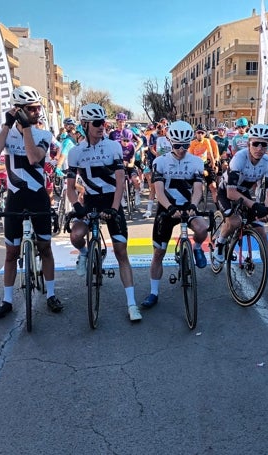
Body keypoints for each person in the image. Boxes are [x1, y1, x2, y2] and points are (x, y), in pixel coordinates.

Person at [0, 86, 64, 319]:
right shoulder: (8, 133)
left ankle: (50, 295)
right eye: (30, 109)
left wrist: (28, 128)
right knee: (11, 253)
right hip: (15, 198)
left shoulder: (44, 135)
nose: (36, 111)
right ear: (19, 109)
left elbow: (33, 157)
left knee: (45, 247)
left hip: (37, 196)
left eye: (37, 108)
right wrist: (7, 125)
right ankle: (7, 300)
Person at [66, 103, 142, 322]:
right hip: (90, 200)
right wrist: (77, 207)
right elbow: (70, 188)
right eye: (98, 123)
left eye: (104, 123)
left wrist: (115, 208)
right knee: (76, 235)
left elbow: (120, 182)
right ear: (85, 125)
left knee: (121, 252)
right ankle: (85, 253)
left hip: (112, 200)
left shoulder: (113, 147)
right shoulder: (75, 152)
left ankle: (131, 304)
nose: (103, 127)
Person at [212, 124, 268, 300]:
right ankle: (221, 242)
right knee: (235, 221)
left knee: (262, 235)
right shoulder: (239, 158)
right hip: (226, 191)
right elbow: (231, 193)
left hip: (243, 192)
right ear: (249, 144)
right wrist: (254, 205)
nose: (260, 148)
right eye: (256, 144)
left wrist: (267, 209)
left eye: (264, 144)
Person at [141, 121, 209, 308]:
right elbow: (159, 190)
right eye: (177, 145)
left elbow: (197, 188)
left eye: (185, 145)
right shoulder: (160, 161)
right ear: (170, 142)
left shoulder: (196, 161)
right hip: (167, 208)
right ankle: (154, 292)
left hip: (188, 206)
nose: (181, 149)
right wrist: (170, 207)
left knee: (203, 229)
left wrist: (193, 206)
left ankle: (196, 248)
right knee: (159, 253)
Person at [144, 123, 172, 218]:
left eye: (170, 130)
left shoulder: (175, 141)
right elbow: (159, 153)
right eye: (167, 130)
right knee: (154, 187)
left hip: (171, 166)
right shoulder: (160, 139)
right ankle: (148, 210)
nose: (168, 132)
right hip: (160, 164)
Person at [188, 124, 218, 204]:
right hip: (195, 164)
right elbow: (190, 158)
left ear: (205, 134)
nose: (200, 134)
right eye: (198, 132)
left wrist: (213, 164)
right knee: (196, 184)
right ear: (195, 133)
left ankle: (218, 207)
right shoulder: (192, 143)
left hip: (205, 163)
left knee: (213, 187)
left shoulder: (207, 141)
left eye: (202, 133)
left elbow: (210, 154)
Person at [120, 128, 142, 207]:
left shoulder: (132, 146)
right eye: (124, 140)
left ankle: (137, 194)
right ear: (121, 138)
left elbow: (132, 161)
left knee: (135, 179)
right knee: (120, 181)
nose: (126, 142)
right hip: (120, 165)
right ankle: (121, 197)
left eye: (127, 141)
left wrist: (128, 164)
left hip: (129, 165)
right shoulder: (116, 145)